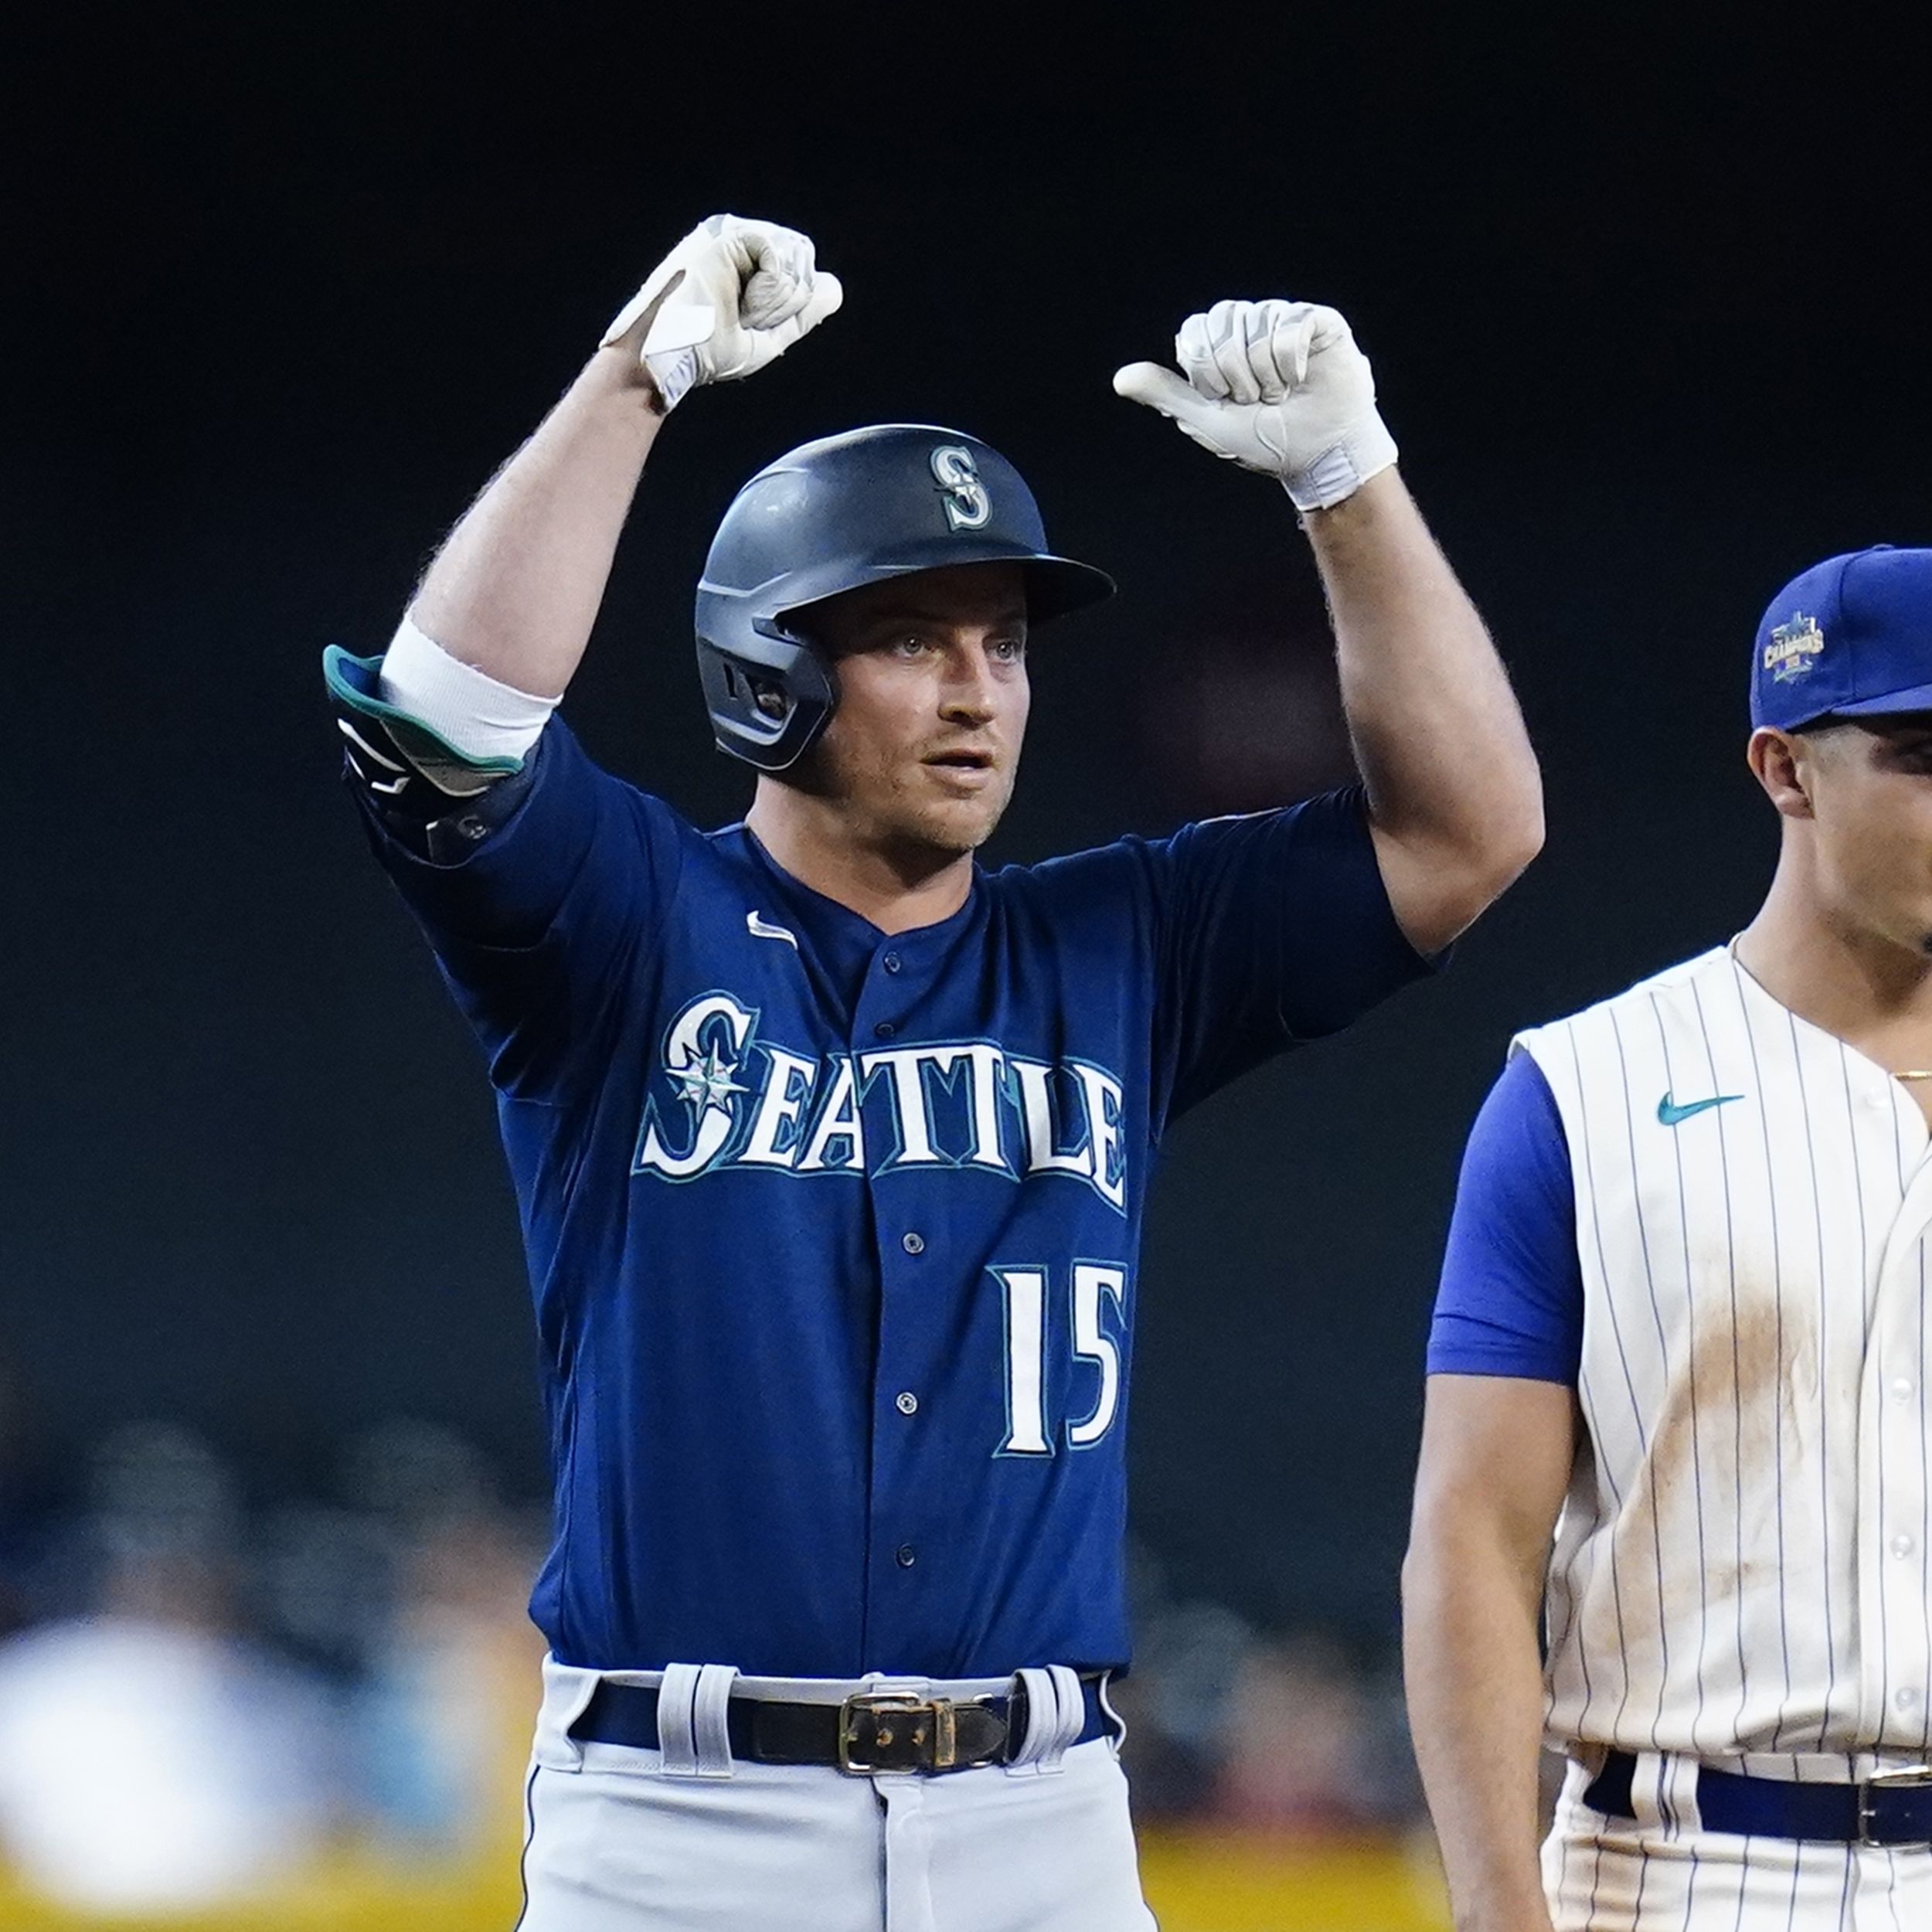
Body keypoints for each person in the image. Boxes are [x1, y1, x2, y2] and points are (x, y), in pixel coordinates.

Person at [327, 213, 1540, 1931]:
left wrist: (1346, 477)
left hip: (1035, 1824)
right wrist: (631, 382)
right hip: (682, 1829)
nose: (978, 692)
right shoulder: (626, 927)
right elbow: (446, 718)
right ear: (766, 670)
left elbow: (1470, 827)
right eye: (912, 638)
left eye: (1007, 642)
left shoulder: (1118, 946)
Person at [1403, 544, 1932, 1932]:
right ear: (1787, 768)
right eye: (1925, 755)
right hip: (1685, 1871)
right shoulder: (1584, 1091)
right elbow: (1474, 1543)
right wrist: (1497, 1912)